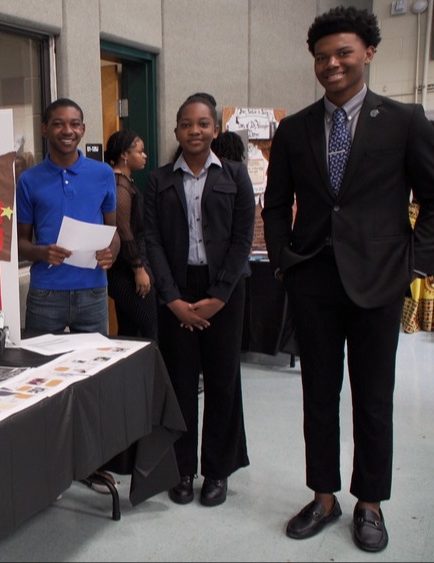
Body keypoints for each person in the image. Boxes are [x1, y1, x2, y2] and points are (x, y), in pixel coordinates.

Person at [262, 6, 434, 552]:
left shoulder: (405, 120)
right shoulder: (294, 129)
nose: (332, 64)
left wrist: (416, 265)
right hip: (312, 280)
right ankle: (324, 496)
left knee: (373, 398)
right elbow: (275, 204)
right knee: (318, 394)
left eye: (343, 53)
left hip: (379, 281)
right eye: (322, 56)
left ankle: (370, 503)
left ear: (369, 53)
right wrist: (285, 260)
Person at [145, 93, 255, 508]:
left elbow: (242, 240)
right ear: (176, 131)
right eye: (187, 124)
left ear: (215, 129)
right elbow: (152, 241)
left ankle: (217, 471)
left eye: (203, 123)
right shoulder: (158, 180)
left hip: (224, 289)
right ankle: (181, 469)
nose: (195, 131)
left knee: (223, 380)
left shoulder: (235, 176)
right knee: (179, 382)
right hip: (176, 288)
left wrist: (219, 296)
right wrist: (172, 299)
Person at [17, 98, 120, 335]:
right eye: (58, 124)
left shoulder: (103, 173)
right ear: (44, 129)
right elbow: (21, 244)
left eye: (74, 124)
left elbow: (113, 233)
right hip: (46, 293)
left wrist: (112, 252)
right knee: (40, 358)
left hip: (93, 291)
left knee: (94, 358)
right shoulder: (28, 180)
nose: (67, 130)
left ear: (83, 129)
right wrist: (42, 252)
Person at [103, 129, 157, 340]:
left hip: (126, 266)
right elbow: (123, 229)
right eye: (140, 151)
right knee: (149, 329)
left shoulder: (123, 181)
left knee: (130, 329)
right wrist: (138, 269)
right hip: (126, 269)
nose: (145, 156)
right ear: (125, 154)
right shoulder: (120, 184)